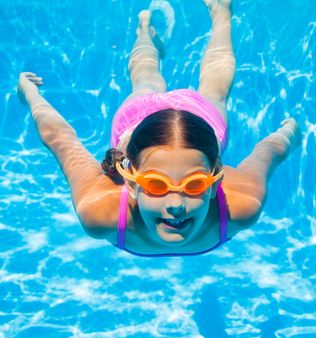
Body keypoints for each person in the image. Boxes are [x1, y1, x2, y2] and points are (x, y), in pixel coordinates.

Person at [17, 0, 301, 257]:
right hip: (147, 121)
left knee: (166, 83)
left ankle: (220, 11)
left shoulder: (240, 206)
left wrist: (290, 132)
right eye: (155, 184)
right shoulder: (101, 212)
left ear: (214, 182)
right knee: (156, 80)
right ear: (130, 182)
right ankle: (146, 31)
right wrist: (29, 94)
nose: (176, 204)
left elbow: (271, 151)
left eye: (194, 185)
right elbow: (58, 138)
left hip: (181, 124)